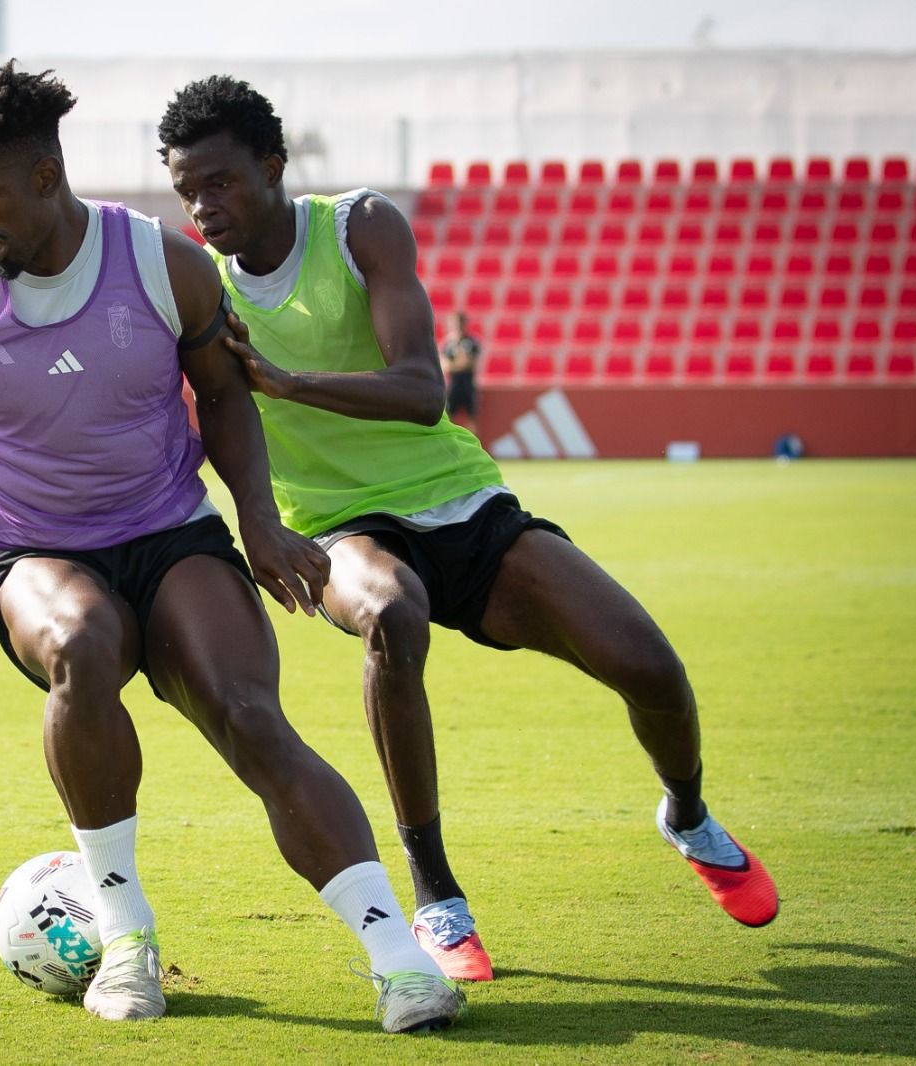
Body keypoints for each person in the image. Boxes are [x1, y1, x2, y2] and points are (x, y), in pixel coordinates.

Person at [151, 75, 778, 981]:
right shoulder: (191, 280)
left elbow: (420, 390)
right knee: (392, 614)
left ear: (274, 166)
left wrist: (288, 384)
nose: (203, 207)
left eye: (220, 182)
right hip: (337, 525)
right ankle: (437, 893)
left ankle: (686, 816)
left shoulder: (358, 225)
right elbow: (136, 325)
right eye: (186, 190)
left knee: (652, 669)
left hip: (461, 500)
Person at [0, 61, 463, 1034]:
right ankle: (126, 941)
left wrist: (258, 522)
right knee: (80, 644)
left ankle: (400, 961)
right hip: (31, 550)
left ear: (41, 175)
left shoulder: (163, 263)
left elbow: (229, 394)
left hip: (169, 531)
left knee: (251, 716)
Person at [439, 311, 479, 433]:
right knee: (449, 416)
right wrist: (458, 364)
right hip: (453, 384)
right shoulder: (447, 344)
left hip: (468, 383)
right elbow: (444, 366)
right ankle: (451, 444)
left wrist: (454, 364)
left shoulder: (471, 342)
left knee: (471, 417)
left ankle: (475, 446)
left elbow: (469, 363)